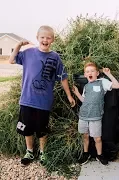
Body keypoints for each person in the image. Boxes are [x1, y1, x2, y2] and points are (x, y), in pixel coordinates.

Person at [9, 25, 76, 166]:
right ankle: (29, 151)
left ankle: (42, 152)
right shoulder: (28, 53)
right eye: (42, 37)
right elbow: (12, 60)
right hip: (27, 100)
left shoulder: (55, 57)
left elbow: (63, 77)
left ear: (53, 39)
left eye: (48, 37)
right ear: (37, 38)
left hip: (44, 102)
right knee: (27, 128)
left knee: (42, 128)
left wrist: (69, 95)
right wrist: (19, 44)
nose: (45, 40)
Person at [73, 62, 119, 165]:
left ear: (97, 73)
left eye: (92, 71)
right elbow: (84, 100)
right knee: (85, 136)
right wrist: (76, 93)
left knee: (97, 138)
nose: (90, 73)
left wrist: (108, 74)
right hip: (84, 116)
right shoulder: (86, 86)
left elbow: (117, 85)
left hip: (96, 116)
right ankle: (86, 154)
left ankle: (99, 155)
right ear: (85, 75)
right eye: (87, 71)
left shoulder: (102, 82)